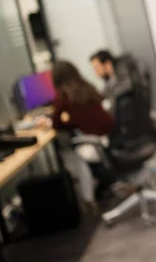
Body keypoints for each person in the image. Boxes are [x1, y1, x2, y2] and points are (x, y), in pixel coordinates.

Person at [45, 61, 116, 209]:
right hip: (113, 136)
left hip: (97, 143)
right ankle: (100, 186)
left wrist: (70, 123)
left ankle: (89, 199)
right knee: (82, 148)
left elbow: (56, 124)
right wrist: (75, 122)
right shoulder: (88, 87)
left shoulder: (63, 94)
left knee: (79, 154)